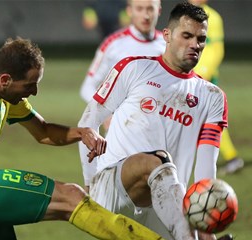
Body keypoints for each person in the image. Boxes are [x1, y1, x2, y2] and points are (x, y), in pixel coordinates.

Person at [0, 37, 164, 239]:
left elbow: (42, 132)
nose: (34, 92)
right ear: (5, 80)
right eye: (30, 85)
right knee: (70, 197)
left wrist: (81, 133)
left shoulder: (1, 90)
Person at [79, 2, 229, 240]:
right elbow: (88, 123)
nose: (195, 45)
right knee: (156, 160)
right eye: (187, 36)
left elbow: (204, 173)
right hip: (113, 191)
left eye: (201, 39)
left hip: (164, 203)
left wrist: (205, 226)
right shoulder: (134, 68)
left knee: (162, 167)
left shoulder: (213, 97)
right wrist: (89, 188)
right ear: (167, 35)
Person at [80, 0, 165, 131]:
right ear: (129, 10)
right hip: (121, 133)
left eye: (150, 9)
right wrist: (105, 113)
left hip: (158, 132)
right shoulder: (113, 44)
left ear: (159, 10)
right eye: (140, 9)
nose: (146, 15)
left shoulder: (168, 45)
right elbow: (87, 87)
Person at [188, 0, 244, 175]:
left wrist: (205, 71)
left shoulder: (214, 17)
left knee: (209, 116)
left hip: (203, 76)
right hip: (188, 73)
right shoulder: (184, 14)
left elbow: (217, 49)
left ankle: (231, 157)